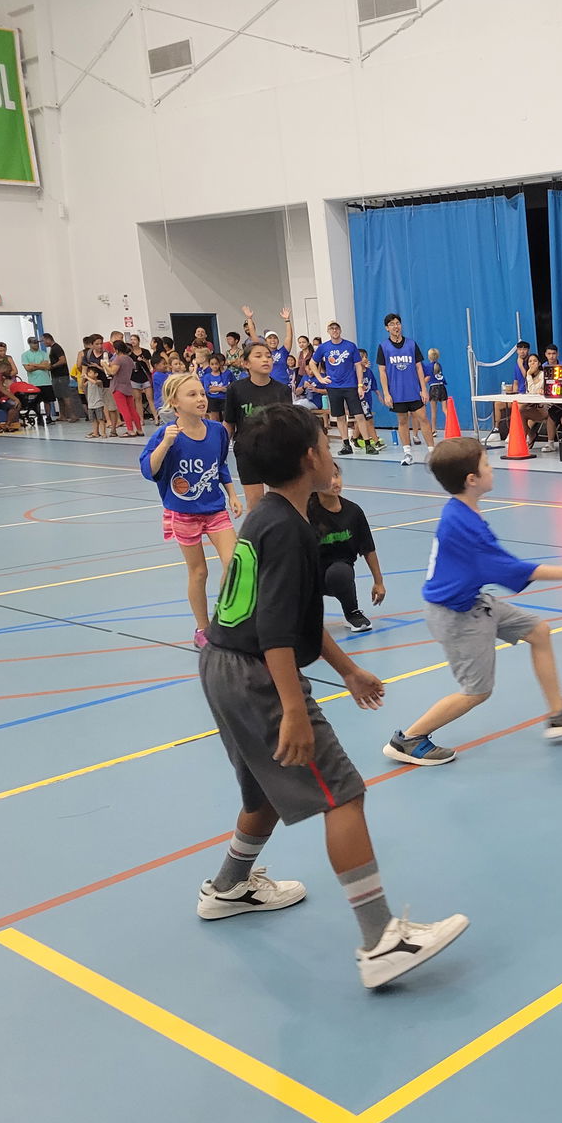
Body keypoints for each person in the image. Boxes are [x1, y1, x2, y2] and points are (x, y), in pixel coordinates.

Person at [197, 404, 468, 987]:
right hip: (258, 676)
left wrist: (346, 669)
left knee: (265, 791)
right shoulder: (291, 529)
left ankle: (229, 887)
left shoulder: (270, 516)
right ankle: (381, 943)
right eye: (325, 440)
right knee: (342, 794)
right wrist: (294, 709)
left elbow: (293, 613)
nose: (331, 447)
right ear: (309, 458)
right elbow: (274, 630)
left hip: (221, 666)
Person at [382, 437, 562, 767]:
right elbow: (510, 568)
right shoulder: (464, 527)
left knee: (539, 631)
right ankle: (409, 739)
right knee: (477, 692)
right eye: (487, 464)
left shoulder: (464, 511)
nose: (493, 468)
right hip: (455, 615)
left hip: (474, 601)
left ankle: (560, 712)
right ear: (471, 480)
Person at [141, 373, 243, 646]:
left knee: (234, 564)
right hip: (183, 513)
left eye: (201, 393)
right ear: (174, 401)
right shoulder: (166, 434)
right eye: (192, 395)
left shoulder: (218, 431)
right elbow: (148, 470)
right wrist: (165, 445)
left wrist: (232, 493)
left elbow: (219, 465)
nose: (200, 399)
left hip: (215, 510)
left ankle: (224, 619)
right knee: (198, 572)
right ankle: (202, 628)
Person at [310, 460, 385, 631]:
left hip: (337, 576)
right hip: (308, 576)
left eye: (336, 475)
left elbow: (368, 549)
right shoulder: (306, 512)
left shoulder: (353, 512)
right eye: (328, 478)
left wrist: (378, 582)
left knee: (340, 571)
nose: (335, 482)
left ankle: (352, 613)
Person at [226, 342, 293, 511]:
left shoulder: (282, 390)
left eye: (268, 356)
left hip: (276, 452)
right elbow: (229, 423)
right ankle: (255, 537)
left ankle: (280, 537)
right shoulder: (236, 389)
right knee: (255, 504)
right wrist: (218, 454)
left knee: (281, 502)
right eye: (258, 356)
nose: (265, 360)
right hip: (247, 452)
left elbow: (288, 424)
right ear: (246, 363)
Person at [311, 321, 381, 454]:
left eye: (336, 328)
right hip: (333, 386)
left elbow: (358, 366)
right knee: (340, 416)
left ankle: (368, 444)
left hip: (350, 385)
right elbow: (312, 362)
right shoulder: (324, 347)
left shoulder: (350, 346)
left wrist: (360, 385)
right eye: (331, 328)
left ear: (340, 330)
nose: (334, 330)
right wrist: (320, 378)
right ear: (328, 331)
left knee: (359, 415)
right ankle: (346, 444)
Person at [375, 313, 433, 466]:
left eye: (398, 323)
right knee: (402, 421)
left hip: (414, 391)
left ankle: (433, 453)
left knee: (423, 419)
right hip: (397, 393)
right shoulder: (383, 347)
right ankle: (408, 454)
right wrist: (386, 393)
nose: (396, 326)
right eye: (392, 324)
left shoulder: (411, 344)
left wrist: (424, 389)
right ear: (387, 328)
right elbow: (382, 372)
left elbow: (419, 367)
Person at [108, 339, 143, 437]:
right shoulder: (129, 359)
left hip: (118, 387)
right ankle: (139, 429)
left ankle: (130, 430)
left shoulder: (118, 359)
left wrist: (105, 366)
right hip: (128, 386)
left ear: (116, 350)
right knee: (132, 409)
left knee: (124, 410)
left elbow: (112, 372)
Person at [199, 352, 233, 423]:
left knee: (226, 418)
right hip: (213, 399)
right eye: (212, 364)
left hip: (224, 398)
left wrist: (215, 388)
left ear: (219, 364)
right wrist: (221, 388)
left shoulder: (226, 374)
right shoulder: (207, 376)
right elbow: (208, 389)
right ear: (209, 365)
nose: (214, 366)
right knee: (215, 419)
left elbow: (229, 387)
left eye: (216, 364)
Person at [80, 363, 110, 438]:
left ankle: (103, 433)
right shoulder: (88, 382)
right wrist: (83, 378)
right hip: (90, 404)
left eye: (90, 372)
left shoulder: (99, 381)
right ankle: (95, 433)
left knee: (100, 419)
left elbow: (95, 382)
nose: (88, 374)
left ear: (96, 374)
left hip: (98, 404)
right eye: (88, 372)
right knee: (93, 420)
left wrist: (87, 377)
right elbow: (82, 386)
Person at [422, 347, 447, 436]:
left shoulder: (427, 366)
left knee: (434, 411)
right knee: (445, 409)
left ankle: (433, 430)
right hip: (442, 387)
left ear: (429, 357)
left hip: (433, 388)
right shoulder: (439, 365)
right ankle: (451, 425)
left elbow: (426, 377)